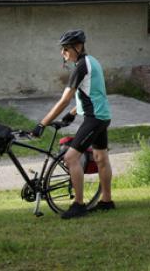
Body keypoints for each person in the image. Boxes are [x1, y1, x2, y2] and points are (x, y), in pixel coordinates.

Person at [31, 29, 114, 219]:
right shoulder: (92, 61)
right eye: (62, 49)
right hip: (102, 117)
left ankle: (78, 205)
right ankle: (107, 201)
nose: (63, 53)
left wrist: (42, 124)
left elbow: (64, 99)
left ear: (78, 47)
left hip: (94, 119)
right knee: (101, 158)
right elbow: (93, 93)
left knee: (70, 158)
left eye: (66, 49)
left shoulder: (81, 67)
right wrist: (73, 113)